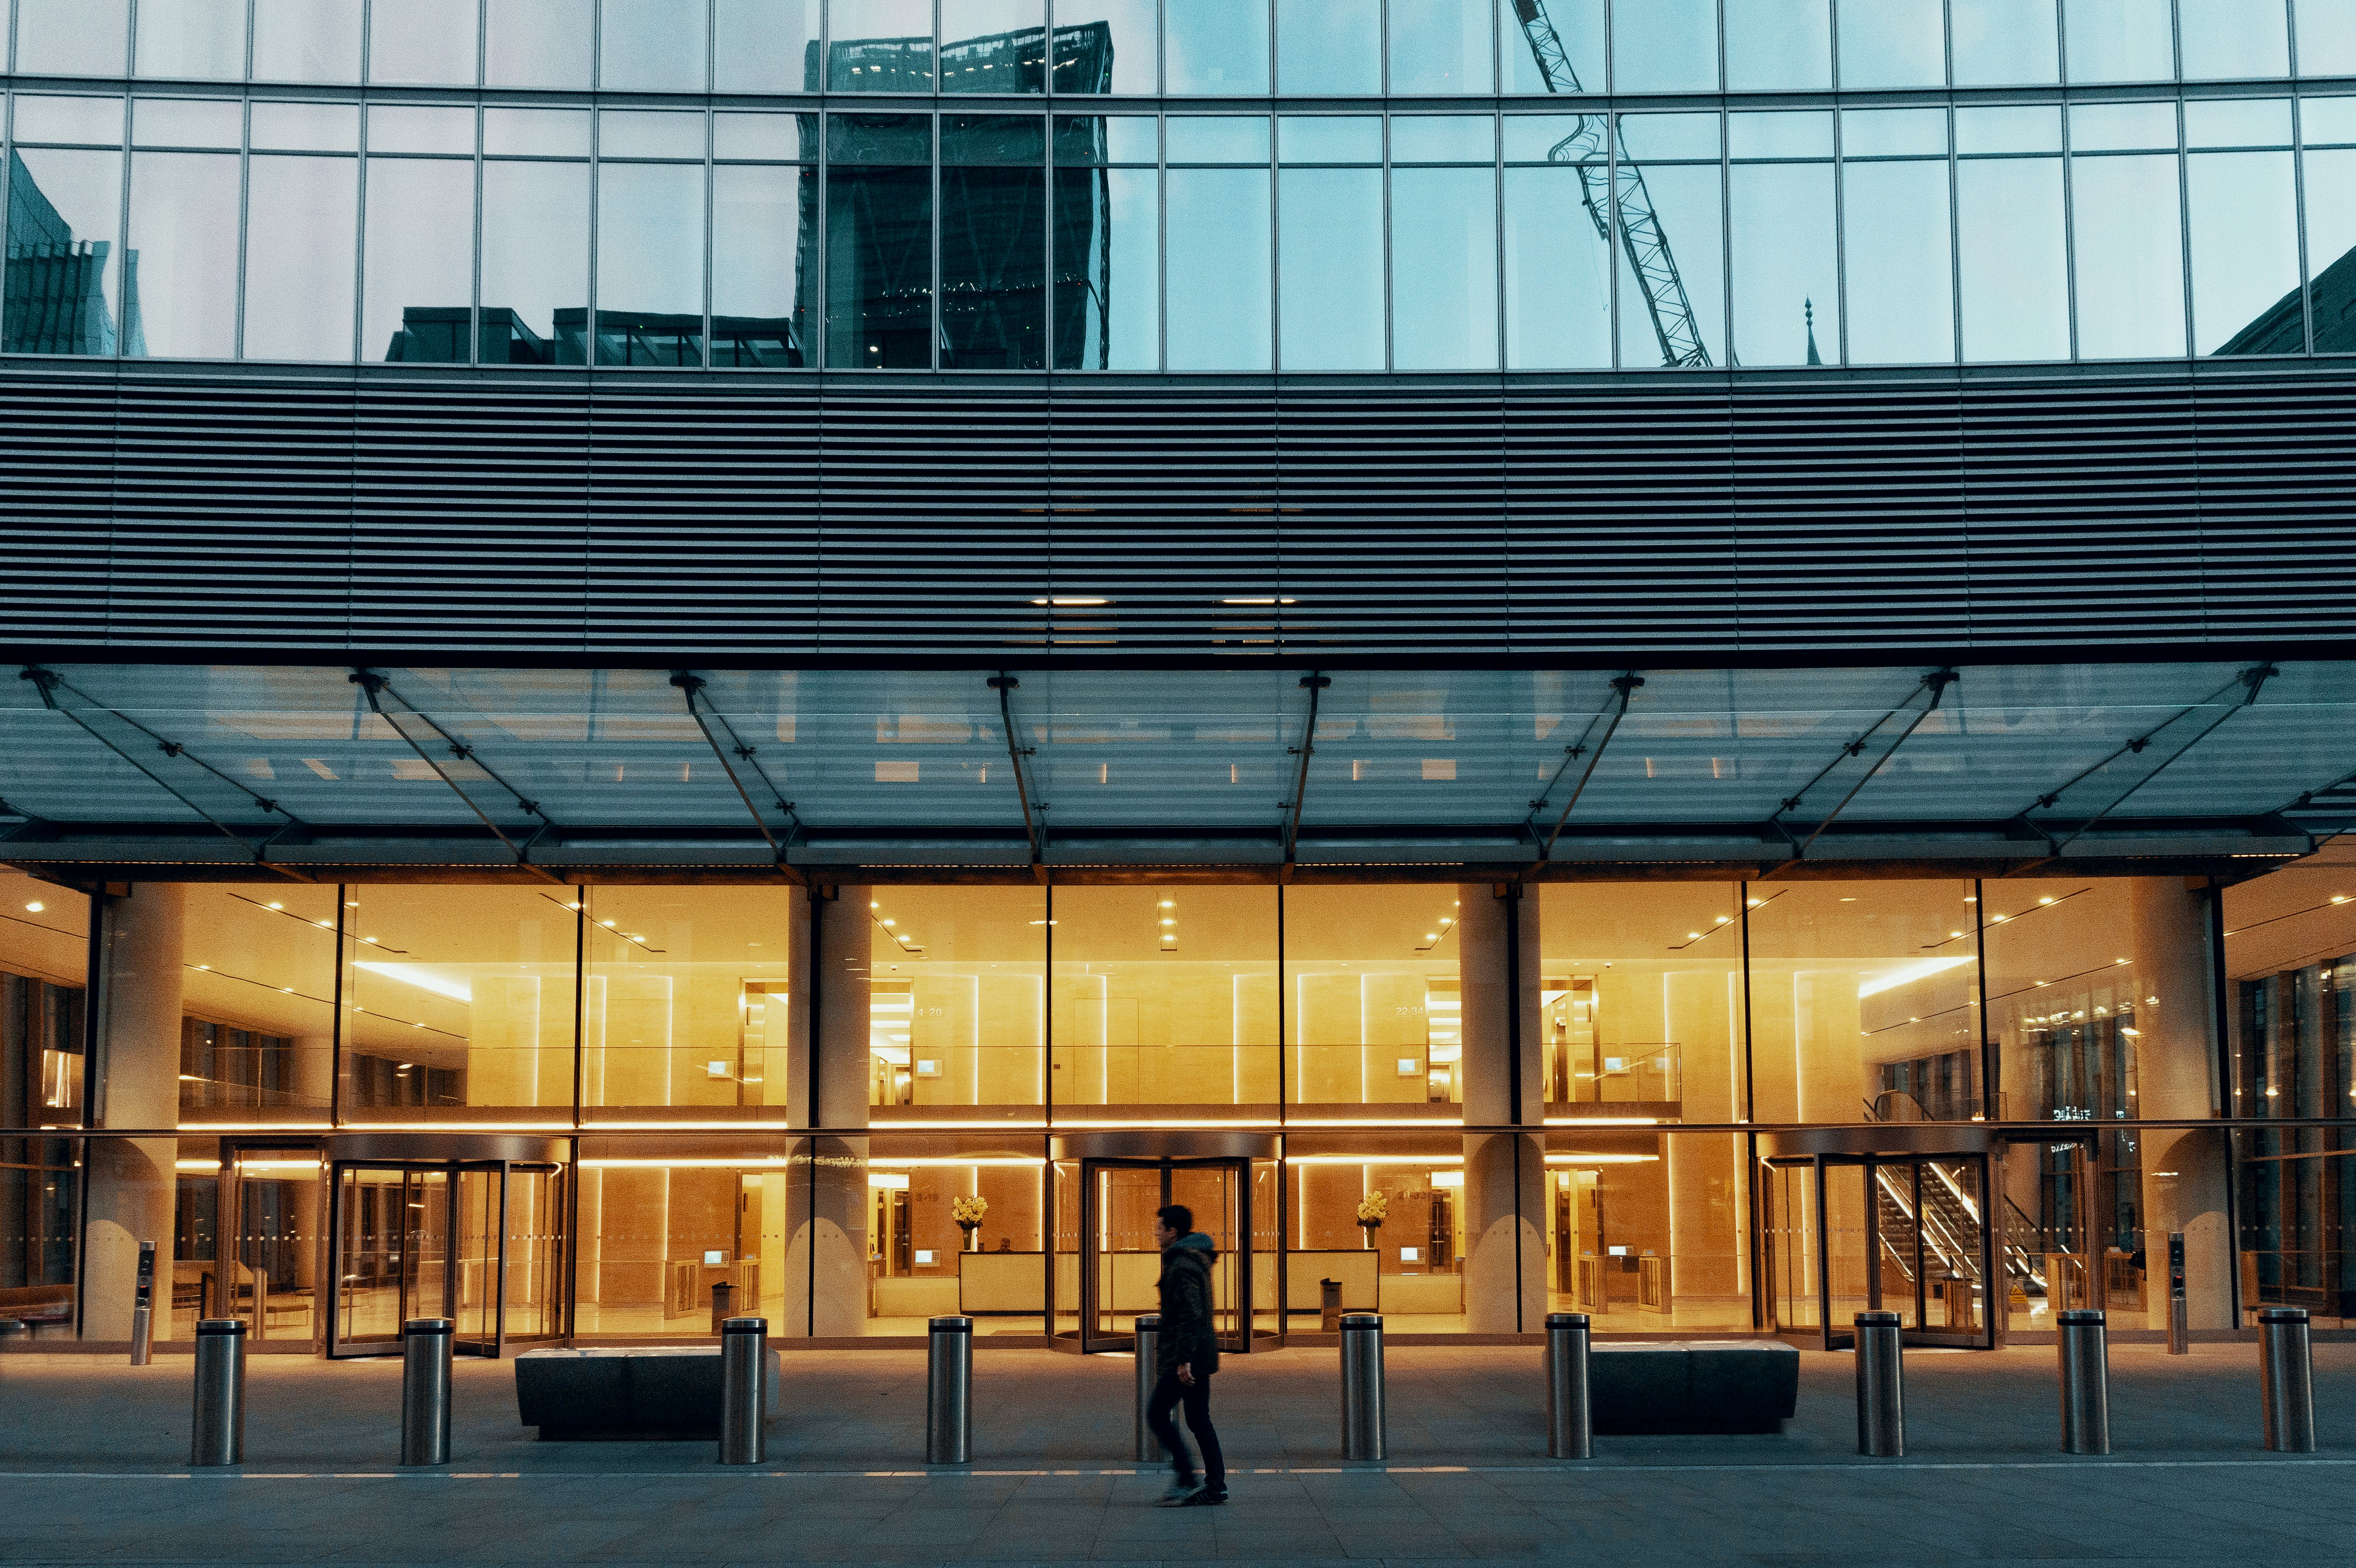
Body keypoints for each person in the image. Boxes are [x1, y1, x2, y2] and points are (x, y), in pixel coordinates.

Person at [1145, 1204, 1227, 1506]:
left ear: (1172, 1232)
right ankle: (1215, 1485)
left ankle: (1186, 1477)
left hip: (1188, 1358)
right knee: (1198, 1420)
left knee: (1156, 1413)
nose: (1155, 1233)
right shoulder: (1194, 1260)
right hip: (1198, 1355)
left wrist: (1182, 1361)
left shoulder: (1181, 1265)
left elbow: (1191, 1315)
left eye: (1159, 1228)